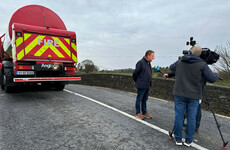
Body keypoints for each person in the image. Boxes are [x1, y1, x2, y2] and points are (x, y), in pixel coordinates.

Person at [169, 46, 219, 147]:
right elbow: (212, 79)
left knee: (179, 116)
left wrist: (182, 58)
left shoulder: (181, 61)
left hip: (180, 94)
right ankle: (188, 140)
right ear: (200, 54)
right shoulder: (202, 64)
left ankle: (178, 138)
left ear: (190, 52)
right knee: (192, 118)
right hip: (194, 96)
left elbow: (171, 67)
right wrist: (216, 74)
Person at [132, 50, 155, 120]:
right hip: (141, 85)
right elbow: (135, 74)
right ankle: (138, 113)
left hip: (147, 85)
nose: (153, 58)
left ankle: (144, 112)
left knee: (145, 99)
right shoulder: (141, 62)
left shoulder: (148, 63)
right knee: (139, 99)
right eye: (152, 56)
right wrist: (139, 81)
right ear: (148, 56)